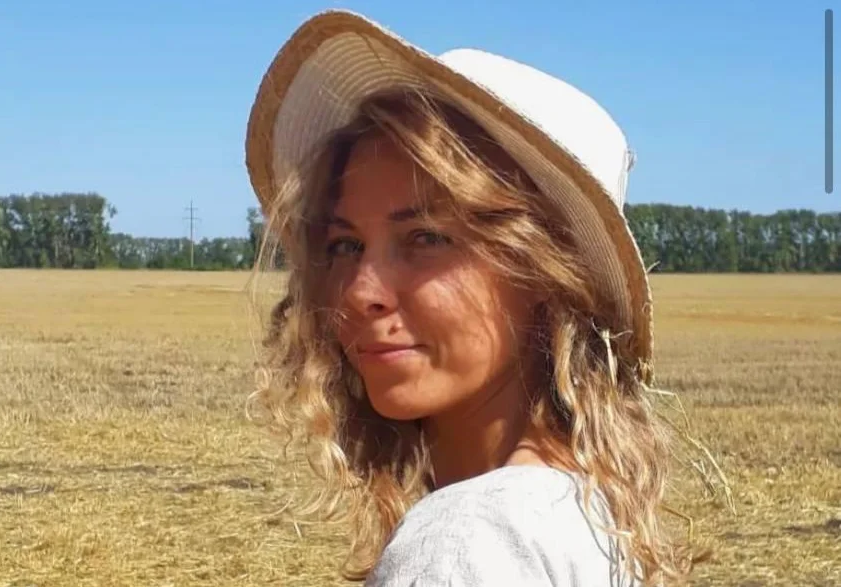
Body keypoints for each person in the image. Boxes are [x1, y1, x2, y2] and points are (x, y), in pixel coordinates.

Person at [244, 9, 705, 586]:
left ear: (545, 272)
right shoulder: (585, 511)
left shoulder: (464, 544)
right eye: (345, 245)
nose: (360, 292)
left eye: (426, 238)